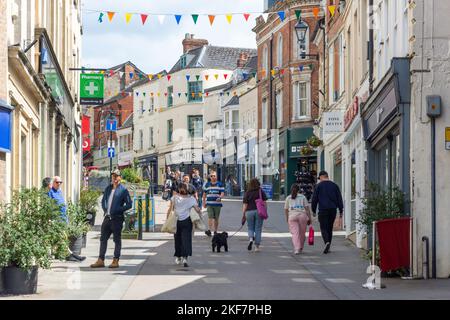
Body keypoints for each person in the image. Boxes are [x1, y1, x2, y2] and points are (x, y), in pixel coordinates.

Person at [91, 169, 132, 269]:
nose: (115, 178)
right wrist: (105, 208)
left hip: (117, 219)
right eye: (113, 176)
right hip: (107, 218)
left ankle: (115, 260)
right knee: (103, 239)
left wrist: (118, 209)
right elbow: (104, 200)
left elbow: (129, 204)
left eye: (117, 176)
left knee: (117, 240)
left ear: (120, 178)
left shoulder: (123, 190)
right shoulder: (108, 188)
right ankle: (101, 260)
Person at [46, 176, 86, 262]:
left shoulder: (59, 192)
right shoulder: (50, 192)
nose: (59, 184)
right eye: (57, 182)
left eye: (61, 182)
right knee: (61, 238)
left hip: (63, 219)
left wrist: (66, 219)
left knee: (61, 238)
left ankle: (58, 254)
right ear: (53, 183)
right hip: (56, 219)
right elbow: (48, 206)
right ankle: (72, 255)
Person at [166, 183, 202, 267]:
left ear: (179, 189)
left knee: (177, 239)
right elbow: (197, 209)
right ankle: (185, 258)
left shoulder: (174, 198)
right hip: (187, 221)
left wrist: (167, 219)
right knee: (186, 239)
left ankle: (178, 256)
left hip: (177, 220)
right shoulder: (192, 199)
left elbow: (170, 209)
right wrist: (199, 212)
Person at [311, 170, 344, 254]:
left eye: (320, 178)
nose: (319, 180)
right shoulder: (335, 186)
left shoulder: (318, 186)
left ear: (322, 177)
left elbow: (314, 199)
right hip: (332, 210)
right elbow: (339, 198)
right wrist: (341, 210)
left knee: (323, 227)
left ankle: (326, 242)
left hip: (323, 210)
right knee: (329, 228)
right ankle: (328, 245)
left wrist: (313, 210)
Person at [284, 184, 312, 254]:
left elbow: (286, 209)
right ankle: (301, 247)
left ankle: (297, 248)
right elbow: (307, 209)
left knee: (295, 233)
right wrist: (309, 218)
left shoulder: (288, 198)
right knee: (302, 233)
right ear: (299, 190)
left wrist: (287, 218)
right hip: (302, 216)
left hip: (292, 216)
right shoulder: (302, 197)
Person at [242, 178, 267, 252]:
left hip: (249, 212)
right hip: (259, 212)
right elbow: (265, 203)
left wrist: (243, 214)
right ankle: (257, 247)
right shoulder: (260, 191)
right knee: (258, 229)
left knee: (250, 227)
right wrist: (265, 211)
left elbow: (245, 205)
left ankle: (250, 239)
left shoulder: (247, 192)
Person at [202, 170, 225, 237]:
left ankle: (215, 231)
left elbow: (222, 193)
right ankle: (209, 230)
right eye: (211, 176)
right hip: (209, 204)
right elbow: (204, 194)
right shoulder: (207, 184)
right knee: (210, 217)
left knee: (216, 218)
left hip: (217, 204)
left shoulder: (220, 184)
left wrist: (220, 197)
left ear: (216, 176)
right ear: (210, 177)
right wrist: (204, 202)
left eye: (214, 176)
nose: (213, 177)